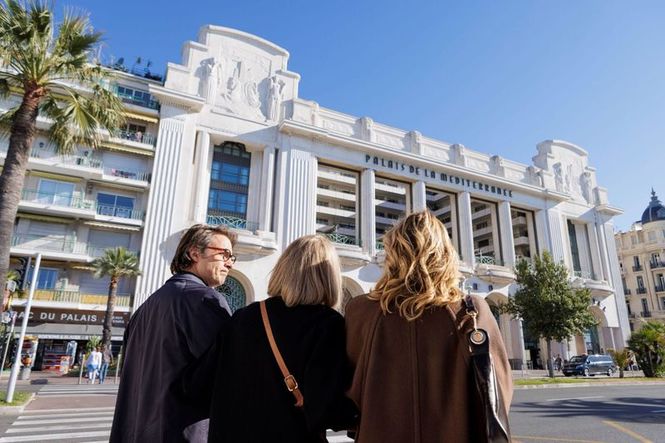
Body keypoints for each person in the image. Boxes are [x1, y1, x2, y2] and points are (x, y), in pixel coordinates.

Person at [345, 210, 513, 442]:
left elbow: (349, 389)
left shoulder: (360, 311)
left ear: (393, 254)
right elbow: (499, 390)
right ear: (444, 254)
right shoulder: (471, 310)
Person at [207, 235, 358, 442]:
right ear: (329, 277)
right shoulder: (327, 324)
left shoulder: (243, 317)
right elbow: (326, 409)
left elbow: (202, 383)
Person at [110, 224, 237, 443]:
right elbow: (228, 377)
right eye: (224, 254)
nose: (229, 263)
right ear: (194, 253)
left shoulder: (145, 308)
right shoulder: (204, 300)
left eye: (232, 257)